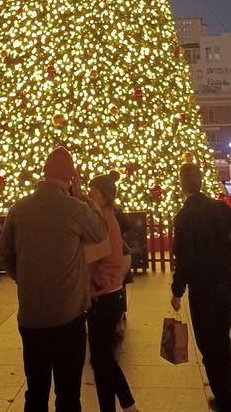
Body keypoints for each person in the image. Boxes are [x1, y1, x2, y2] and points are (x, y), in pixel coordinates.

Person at [0, 146, 108, 412]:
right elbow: (100, 232)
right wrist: (82, 197)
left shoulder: (19, 209)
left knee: (35, 391)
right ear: (70, 179)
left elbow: (4, 256)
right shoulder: (74, 208)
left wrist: (24, 277)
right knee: (68, 394)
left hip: (31, 317)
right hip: (68, 317)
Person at [171, 162, 231, 412]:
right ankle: (225, 397)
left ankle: (225, 401)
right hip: (226, 286)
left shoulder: (185, 216)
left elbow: (185, 259)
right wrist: (229, 253)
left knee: (209, 347)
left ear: (182, 185)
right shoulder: (219, 208)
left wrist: (177, 290)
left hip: (204, 291)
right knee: (222, 342)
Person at [87, 173, 137, 412]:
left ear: (105, 196)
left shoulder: (106, 219)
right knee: (102, 359)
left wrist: (97, 283)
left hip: (104, 296)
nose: (89, 194)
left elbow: (114, 259)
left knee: (101, 359)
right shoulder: (100, 215)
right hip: (105, 296)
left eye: (93, 190)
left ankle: (124, 405)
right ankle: (127, 405)